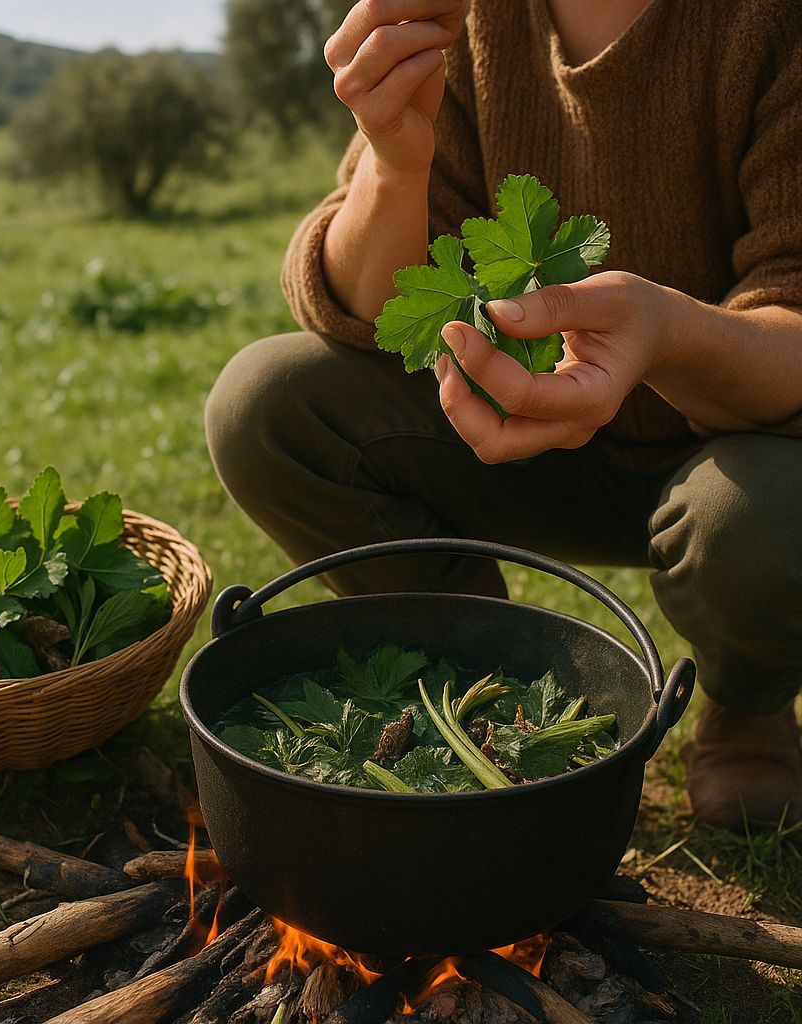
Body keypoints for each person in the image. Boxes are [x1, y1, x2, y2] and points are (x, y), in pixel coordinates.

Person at [205, 0, 802, 830]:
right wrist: (394, 162)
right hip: (516, 444)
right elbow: (367, 312)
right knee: (267, 404)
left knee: (762, 522)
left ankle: (749, 699)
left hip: (744, 445)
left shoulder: (769, 23)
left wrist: (665, 338)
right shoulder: (467, 16)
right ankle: (481, 658)